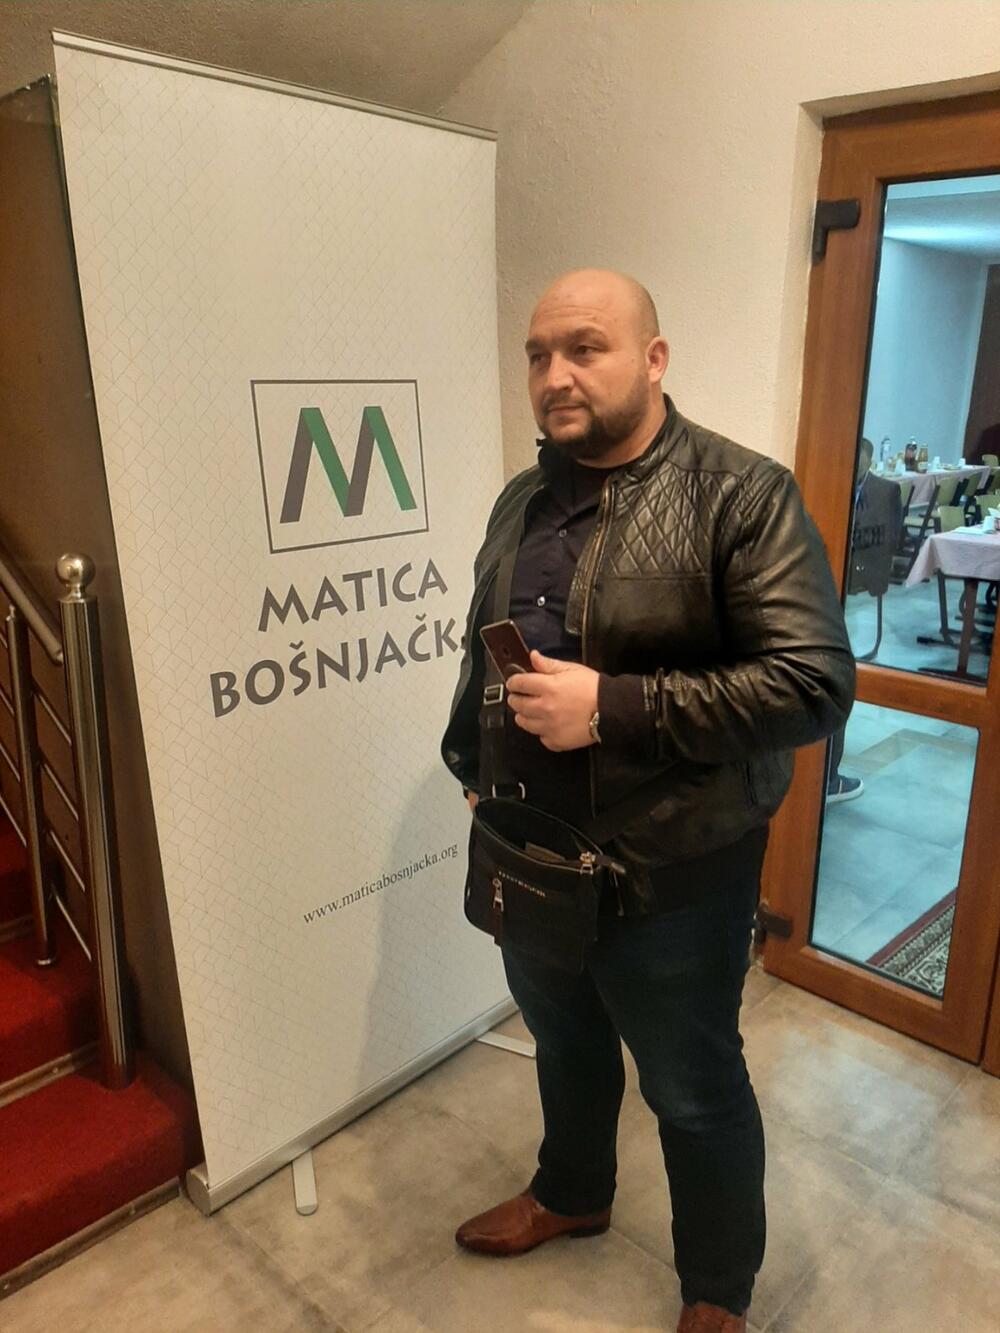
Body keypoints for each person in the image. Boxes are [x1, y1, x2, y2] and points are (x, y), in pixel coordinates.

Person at [440, 269, 855, 1333]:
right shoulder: (520, 498)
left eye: (585, 347)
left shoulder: (741, 495)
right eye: (538, 354)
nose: (555, 374)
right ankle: (572, 1192)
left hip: (675, 871)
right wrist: (470, 762)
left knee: (692, 1089)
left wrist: (613, 707)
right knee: (564, 1044)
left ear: (654, 359)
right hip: (532, 850)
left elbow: (812, 683)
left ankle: (717, 1288)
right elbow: (487, 649)